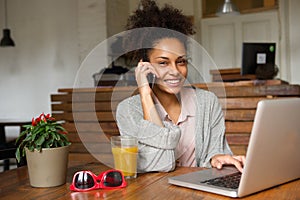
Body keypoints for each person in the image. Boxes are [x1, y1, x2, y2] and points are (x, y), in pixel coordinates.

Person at [116, 0, 245, 173]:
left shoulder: (207, 102)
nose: (175, 71)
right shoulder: (128, 111)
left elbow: (216, 150)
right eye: (163, 63)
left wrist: (216, 158)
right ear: (145, 66)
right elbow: (160, 164)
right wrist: (145, 94)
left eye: (181, 62)